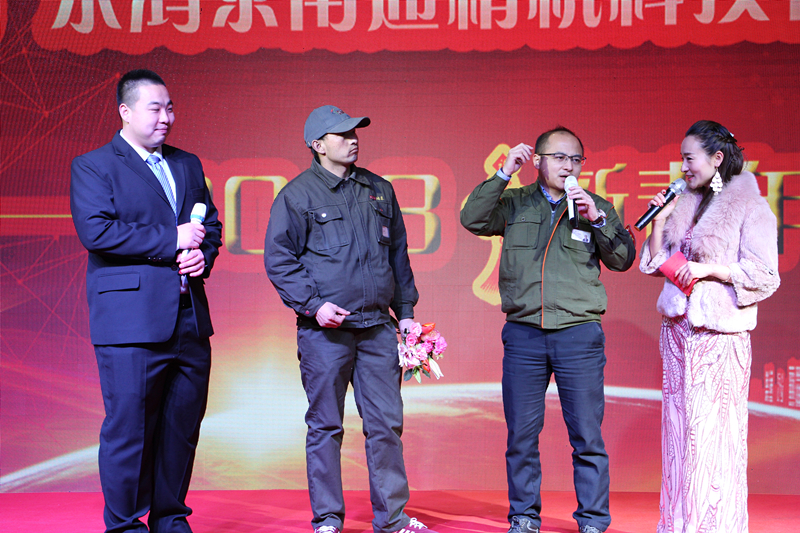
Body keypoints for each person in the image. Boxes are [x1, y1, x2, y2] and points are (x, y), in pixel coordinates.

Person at [264, 105, 438, 533]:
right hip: (325, 333)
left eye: (355, 132)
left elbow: (398, 257)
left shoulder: (379, 190)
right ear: (318, 145)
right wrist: (313, 305)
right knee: (325, 425)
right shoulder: (297, 196)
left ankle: (392, 519)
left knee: (386, 426)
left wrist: (407, 314)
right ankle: (327, 519)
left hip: (378, 328)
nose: (353, 139)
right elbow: (279, 259)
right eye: (342, 135)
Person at [461, 127, 635, 533]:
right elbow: (473, 218)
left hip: (578, 334)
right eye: (559, 158)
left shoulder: (595, 205)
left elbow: (623, 259)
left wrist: (597, 219)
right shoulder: (515, 201)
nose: (568, 166)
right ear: (538, 161)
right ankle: (524, 516)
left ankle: (592, 520)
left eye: (576, 159)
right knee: (521, 435)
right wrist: (504, 172)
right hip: (525, 335)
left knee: (587, 436)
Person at [70, 69, 222, 533]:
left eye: (170, 108)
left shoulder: (187, 163)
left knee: (181, 428)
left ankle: (171, 519)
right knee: (129, 430)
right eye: (155, 108)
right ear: (125, 111)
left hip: (188, 319)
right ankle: (125, 526)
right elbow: (97, 231)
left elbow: (210, 226)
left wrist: (202, 255)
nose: (166, 118)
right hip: (130, 324)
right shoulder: (95, 165)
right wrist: (172, 239)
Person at [639, 120, 780, 533]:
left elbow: (765, 275)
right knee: (679, 436)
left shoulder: (751, 207)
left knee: (715, 439)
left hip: (719, 339)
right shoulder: (685, 203)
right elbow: (657, 263)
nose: (683, 167)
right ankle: (678, 525)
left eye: (689, 159)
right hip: (678, 335)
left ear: (717, 158)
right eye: (681, 159)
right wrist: (660, 222)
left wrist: (710, 270)